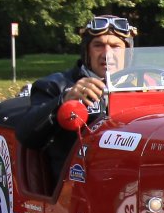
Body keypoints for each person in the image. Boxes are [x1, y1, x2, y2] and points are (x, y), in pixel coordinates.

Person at [13, 15, 134, 180]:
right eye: (98, 45)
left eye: (115, 47)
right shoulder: (55, 85)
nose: (107, 54)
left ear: (128, 53)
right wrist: (63, 101)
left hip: (132, 175)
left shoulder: (145, 86)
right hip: (75, 181)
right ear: (86, 51)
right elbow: (27, 135)